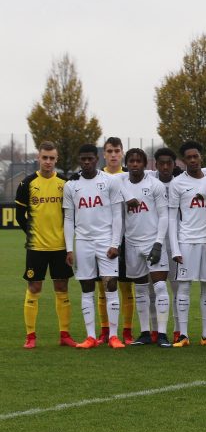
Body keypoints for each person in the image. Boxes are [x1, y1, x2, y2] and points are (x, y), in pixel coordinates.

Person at [63, 143, 125, 349]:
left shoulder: (109, 181)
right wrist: (69, 249)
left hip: (106, 241)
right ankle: (90, 337)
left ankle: (114, 336)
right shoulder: (71, 185)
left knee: (111, 286)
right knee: (87, 288)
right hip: (83, 243)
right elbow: (68, 218)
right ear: (79, 160)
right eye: (83, 159)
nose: (87, 162)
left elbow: (118, 214)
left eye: (90, 158)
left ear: (97, 159)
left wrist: (116, 243)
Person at [16, 141, 76, 348]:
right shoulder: (27, 183)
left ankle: (64, 335)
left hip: (59, 246)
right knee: (34, 287)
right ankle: (30, 336)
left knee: (62, 287)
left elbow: (70, 216)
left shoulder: (65, 184)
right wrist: (33, 235)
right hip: (36, 247)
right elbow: (19, 216)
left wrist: (68, 245)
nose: (48, 162)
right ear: (38, 158)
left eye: (52, 158)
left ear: (56, 160)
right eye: (45, 157)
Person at [168, 141, 206, 347]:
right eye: (188, 157)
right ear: (183, 160)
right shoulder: (177, 183)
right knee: (184, 288)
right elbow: (172, 218)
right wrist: (175, 247)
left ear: (201, 157)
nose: (192, 160)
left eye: (195, 156)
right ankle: (183, 335)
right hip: (186, 240)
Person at [118, 149, 172, 347]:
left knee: (159, 287)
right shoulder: (121, 183)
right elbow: (108, 177)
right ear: (127, 164)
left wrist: (159, 243)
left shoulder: (154, 185)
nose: (135, 164)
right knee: (140, 290)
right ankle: (145, 333)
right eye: (131, 161)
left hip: (152, 242)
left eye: (138, 161)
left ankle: (163, 334)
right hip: (132, 243)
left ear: (144, 164)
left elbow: (164, 215)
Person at [98, 136, 136, 344]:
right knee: (103, 287)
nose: (113, 155)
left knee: (125, 286)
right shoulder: (97, 177)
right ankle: (105, 331)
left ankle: (127, 331)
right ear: (104, 154)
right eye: (110, 151)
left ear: (122, 153)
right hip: (103, 239)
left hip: (127, 238)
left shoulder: (130, 177)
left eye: (117, 151)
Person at [150, 147, 184, 341]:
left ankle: (178, 330)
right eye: (161, 163)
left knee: (177, 288)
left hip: (176, 243)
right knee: (153, 288)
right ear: (155, 165)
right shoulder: (149, 180)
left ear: (174, 164)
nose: (164, 167)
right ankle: (155, 330)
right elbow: (120, 176)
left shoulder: (181, 182)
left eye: (168, 163)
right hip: (153, 242)